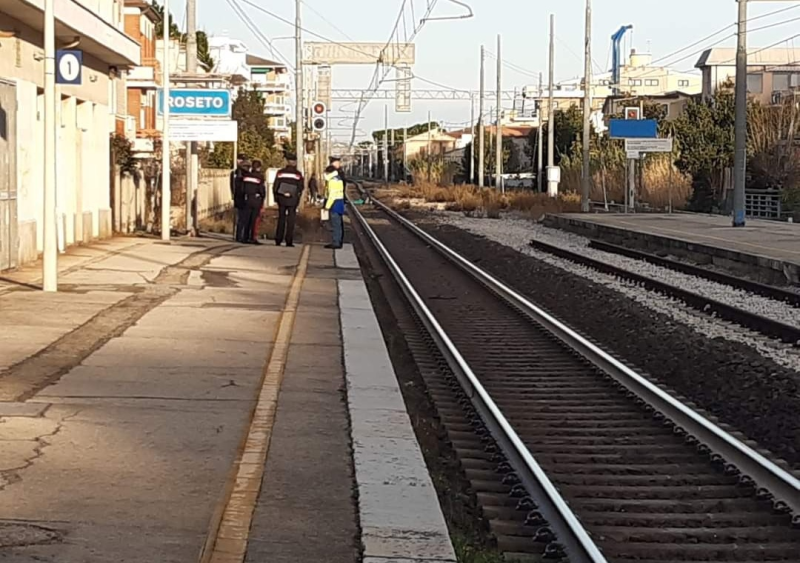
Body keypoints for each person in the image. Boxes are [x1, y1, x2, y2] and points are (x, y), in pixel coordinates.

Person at [273, 154, 304, 247]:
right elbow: (301, 187)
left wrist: (277, 197)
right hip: (292, 199)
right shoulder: (298, 174)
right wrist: (296, 197)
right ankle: (288, 241)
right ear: (294, 162)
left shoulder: (280, 172)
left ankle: (278, 239)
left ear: (287, 162)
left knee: (281, 219)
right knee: (291, 220)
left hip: (281, 199)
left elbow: (275, 186)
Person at [239, 159, 266, 244]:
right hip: (256, 200)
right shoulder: (260, 177)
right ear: (259, 168)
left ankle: (245, 237)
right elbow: (262, 190)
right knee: (254, 220)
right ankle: (252, 237)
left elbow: (242, 189)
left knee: (247, 219)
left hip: (247, 199)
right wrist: (262, 198)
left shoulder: (246, 177)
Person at [323, 156, 346, 249]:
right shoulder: (338, 177)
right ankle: (337, 241)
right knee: (338, 224)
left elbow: (332, 194)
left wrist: (326, 206)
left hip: (334, 203)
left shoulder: (333, 180)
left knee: (336, 224)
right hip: (339, 202)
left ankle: (336, 242)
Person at [231, 154, 249, 241]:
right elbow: (232, 185)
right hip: (240, 197)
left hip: (241, 197)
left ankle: (240, 235)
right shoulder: (235, 173)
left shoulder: (246, 174)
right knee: (241, 217)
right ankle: (239, 236)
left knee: (242, 217)